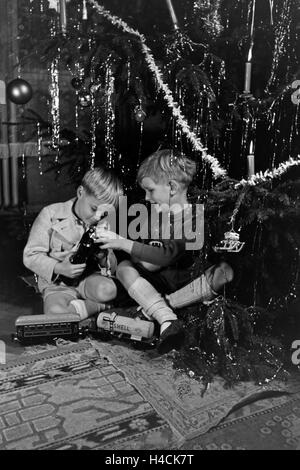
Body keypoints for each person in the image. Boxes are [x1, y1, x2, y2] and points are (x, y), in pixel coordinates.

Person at [96, 149, 234, 354]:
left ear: (171, 187)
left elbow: (166, 254)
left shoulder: (193, 218)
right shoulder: (151, 214)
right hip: (157, 280)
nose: (146, 197)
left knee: (225, 272)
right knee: (124, 268)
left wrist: (123, 243)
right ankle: (166, 317)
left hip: (187, 282)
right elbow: (148, 259)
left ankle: (163, 307)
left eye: (150, 190)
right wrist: (108, 230)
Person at [23, 167, 123, 320]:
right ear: (80, 192)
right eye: (94, 208)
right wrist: (58, 267)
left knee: (108, 290)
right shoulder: (50, 214)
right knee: (54, 312)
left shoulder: (102, 223)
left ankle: (78, 310)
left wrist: (103, 257)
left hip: (88, 280)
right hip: (58, 285)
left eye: (103, 213)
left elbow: (112, 267)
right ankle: (97, 307)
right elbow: (31, 256)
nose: (97, 217)